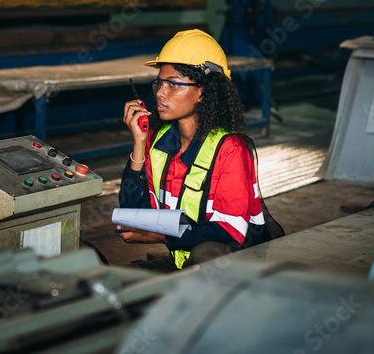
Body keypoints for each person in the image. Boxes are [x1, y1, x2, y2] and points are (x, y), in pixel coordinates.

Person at [117, 29, 282, 271]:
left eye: (173, 84)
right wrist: (139, 144)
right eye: (159, 83)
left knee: (206, 254)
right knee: (119, 285)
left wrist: (160, 236)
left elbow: (229, 231)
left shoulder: (230, 149)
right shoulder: (158, 142)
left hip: (237, 268)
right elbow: (133, 214)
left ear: (203, 92)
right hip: (187, 265)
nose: (161, 92)